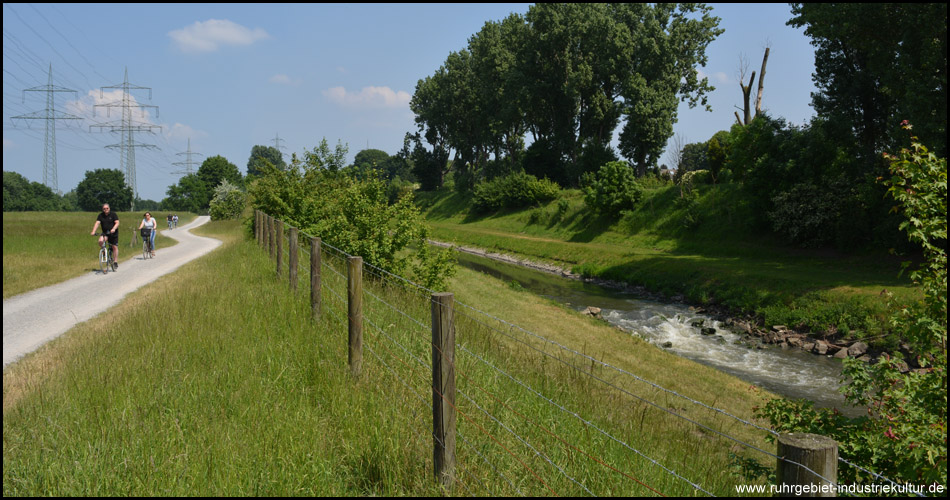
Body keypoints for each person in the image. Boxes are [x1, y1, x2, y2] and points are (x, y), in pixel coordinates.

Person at [91, 203, 120, 269]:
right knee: (100, 241)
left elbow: (117, 222)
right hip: (105, 233)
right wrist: (93, 231)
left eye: (107, 208)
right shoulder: (100, 215)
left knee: (114, 247)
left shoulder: (113, 214)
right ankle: (104, 253)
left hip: (113, 233)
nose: (106, 210)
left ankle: (115, 262)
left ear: (109, 208)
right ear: (102, 209)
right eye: (104, 208)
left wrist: (114, 228)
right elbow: (97, 223)